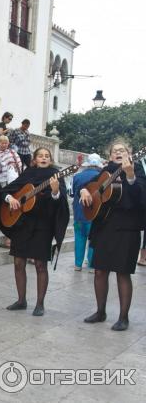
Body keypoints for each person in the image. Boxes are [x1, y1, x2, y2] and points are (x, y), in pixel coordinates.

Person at [80, 141, 146, 331]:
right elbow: (91, 185)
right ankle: (100, 312)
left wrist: (131, 175)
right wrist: (84, 189)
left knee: (122, 273)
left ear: (130, 154)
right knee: (100, 271)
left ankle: (123, 317)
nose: (118, 152)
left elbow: (141, 196)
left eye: (122, 150)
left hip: (127, 229)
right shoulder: (106, 170)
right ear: (109, 156)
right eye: (115, 151)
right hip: (104, 227)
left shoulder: (138, 169)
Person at [0, 147, 69, 316]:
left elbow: (61, 202)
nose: (44, 158)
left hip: (43, 225)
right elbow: (4, 191)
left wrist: (54, 192)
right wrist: (11, 199)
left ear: (51, 159)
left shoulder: (56, 175)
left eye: (47, 156)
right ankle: (21, 300)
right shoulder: (28, 173)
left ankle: (40, 304)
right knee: (18, 262)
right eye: (40, 156)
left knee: (40, 264)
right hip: (23, 224)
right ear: (35, 159)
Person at [70, 153, 103, 272]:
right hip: (95, 214)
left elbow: (73, 193)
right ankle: (91, 266)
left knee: (79, 238)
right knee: (93, 240)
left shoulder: (77, 176)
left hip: (79, 213)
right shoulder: (102, 177)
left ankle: (78, 264)